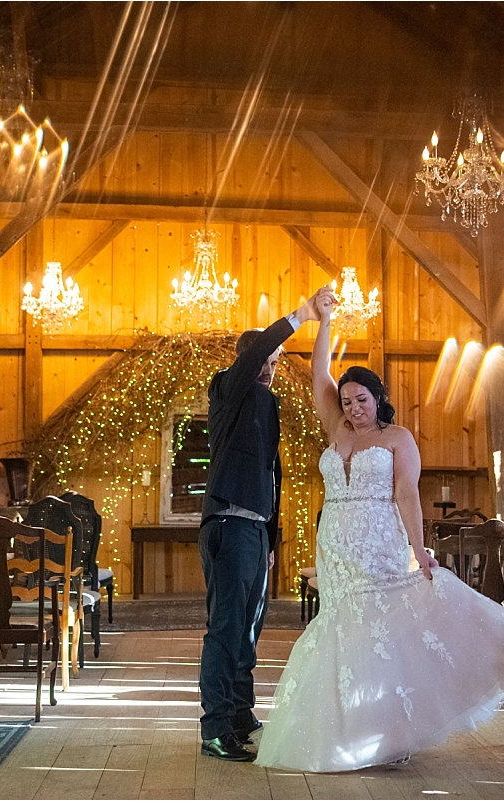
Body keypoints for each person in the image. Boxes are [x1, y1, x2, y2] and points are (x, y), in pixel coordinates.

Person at [255, 293, 504, 772]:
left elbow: (408, 495)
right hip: (337, 547)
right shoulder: (337, 429)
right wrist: (322, 321)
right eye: (346, 401)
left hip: (379, 544)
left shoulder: (397, 439)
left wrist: (419, 550)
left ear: (377, 398)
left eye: (361, 400)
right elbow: (320, 373)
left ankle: (392, 732)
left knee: (380, 632)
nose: (353, 408)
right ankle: (345, 731)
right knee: (342, 630)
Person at [199, 287, 337, 762]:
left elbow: (271, 474)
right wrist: (301, 317)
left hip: (256, 530)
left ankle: (240, 715)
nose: (269, 369)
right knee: (226, 628)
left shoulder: (269, 405)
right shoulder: (226, 389)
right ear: (245, 361)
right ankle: (215, 727)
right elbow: (257, 350)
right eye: (265, 360)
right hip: (228, 523)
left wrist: (272, 536)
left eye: (277, 363)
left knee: (249, 630)